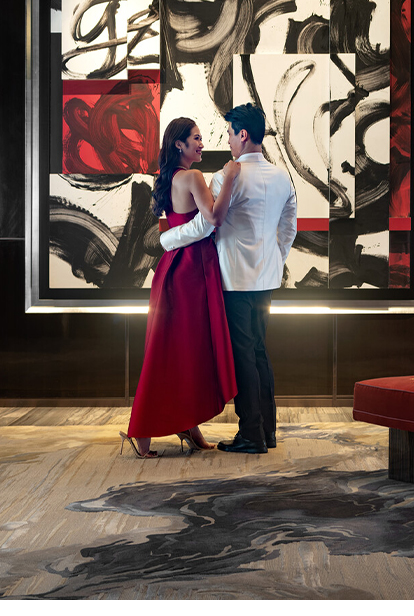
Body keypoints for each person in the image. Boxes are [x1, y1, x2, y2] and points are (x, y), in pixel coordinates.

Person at [158, 102, 298, 454]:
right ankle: (267, 431)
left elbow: (205, 225)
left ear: (243, 135)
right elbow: (289, 229)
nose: (228, 142)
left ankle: (251, 434)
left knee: (243, 355)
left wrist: (167, 238)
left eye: (230, 135)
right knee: (260, 351)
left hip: (234, 278)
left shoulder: (225, 177)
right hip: (266, 279)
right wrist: (274, 261)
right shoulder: (282, 177)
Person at [120, 117, 239, 458]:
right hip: (192, 269)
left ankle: (186, 424)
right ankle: (142, 430)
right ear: (179, 144)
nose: (202, 144)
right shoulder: (193, 176)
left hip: (173, 267)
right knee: (185, 350)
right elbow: (214, 218)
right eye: (196, 139)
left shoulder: (169, 177)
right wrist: (230, 179)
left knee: (175, 350)